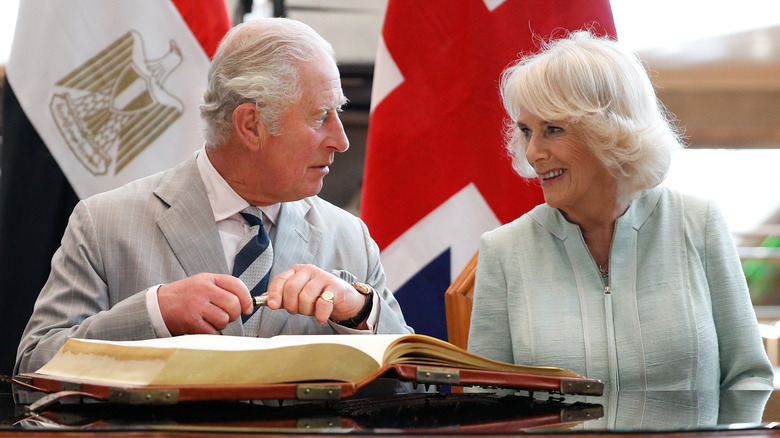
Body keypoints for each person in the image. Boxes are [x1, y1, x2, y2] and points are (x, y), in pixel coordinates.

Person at [16, 17, 412, 375]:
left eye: (339, 113)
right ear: (251, 125)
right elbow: (34, 364)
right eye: (320, 116)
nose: (341, 140)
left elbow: (419, 383)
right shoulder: (103, 223)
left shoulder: (350, 237)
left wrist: (358, 312)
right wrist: (156, 313)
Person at [467, 30, 773, 391]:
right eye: (526, 131)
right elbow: (485, 397)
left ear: (611, 131)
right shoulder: (505, 249)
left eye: (552, 129)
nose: (533, 152)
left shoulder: (698, 224)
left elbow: (747, 378)